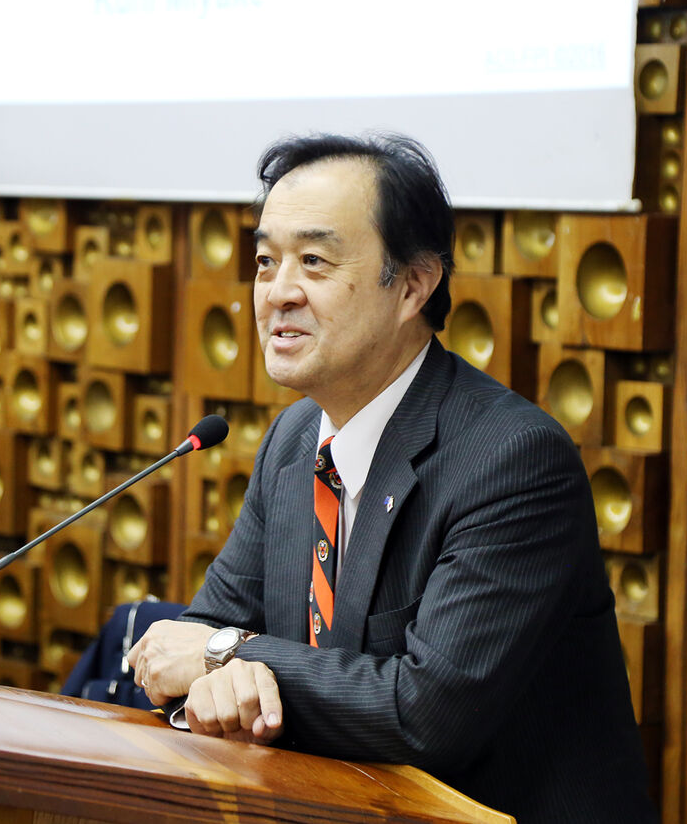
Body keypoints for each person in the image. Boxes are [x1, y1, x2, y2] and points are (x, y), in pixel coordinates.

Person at [130, 133, 656, 822]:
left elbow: (426, 712)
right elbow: (201, 633)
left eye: (314, 261)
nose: (277, 293)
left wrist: (229, 655)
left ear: (412, 285)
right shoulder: (293, 440)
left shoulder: (513, 460)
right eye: (265, 261)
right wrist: (221, 669)